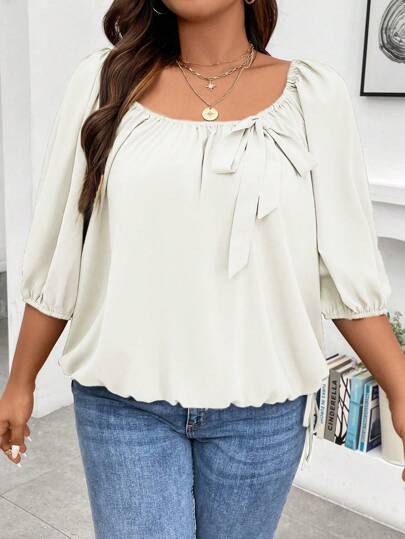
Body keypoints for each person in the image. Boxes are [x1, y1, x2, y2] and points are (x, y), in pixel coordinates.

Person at [1, 0, 405, 537]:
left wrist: (400, 391)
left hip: (262, 415)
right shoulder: (104, 84)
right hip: (124, 406)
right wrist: (21, 379)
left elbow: (346, 272)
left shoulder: (314, 97)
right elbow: (62, 248)